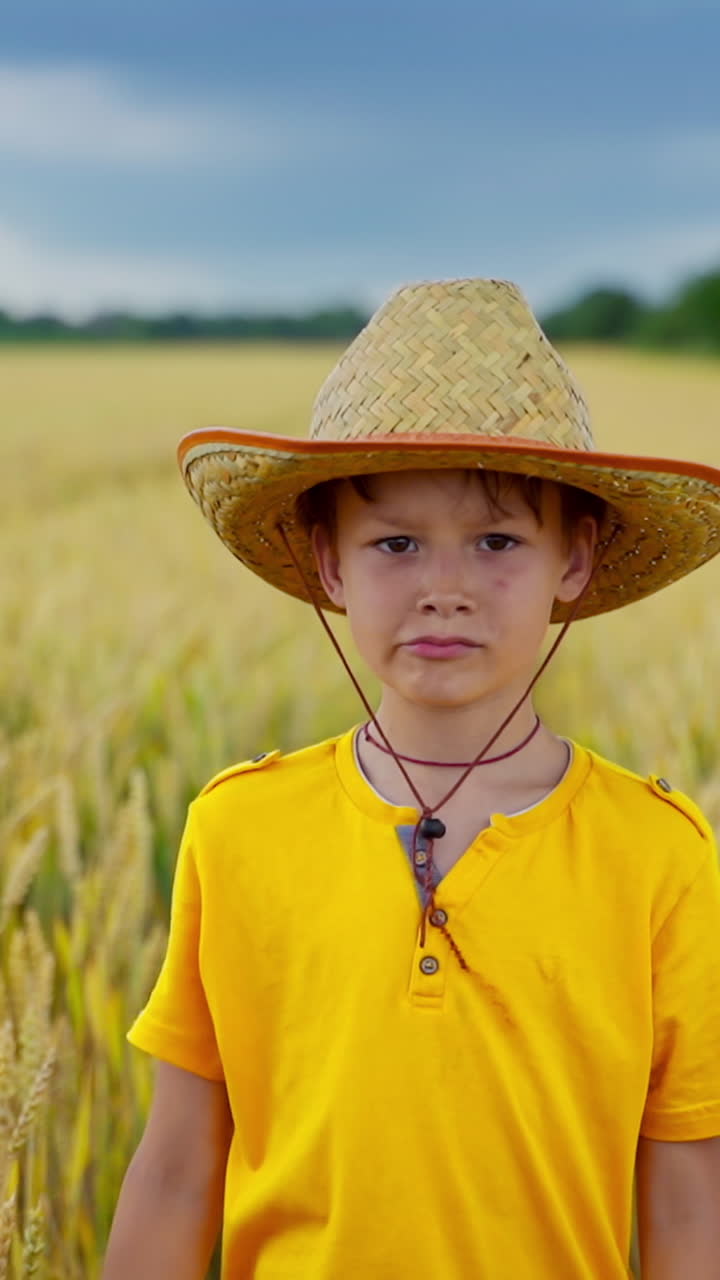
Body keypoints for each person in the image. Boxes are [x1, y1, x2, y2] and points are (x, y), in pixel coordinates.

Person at [102, 278, 720, 1279]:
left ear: (576, 557)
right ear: (329, 565)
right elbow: (177, 1164)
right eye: (395, 543)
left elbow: (690, 1192)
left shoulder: (659, 851)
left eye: (498, 540)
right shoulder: (238, 826)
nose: (445, 586)